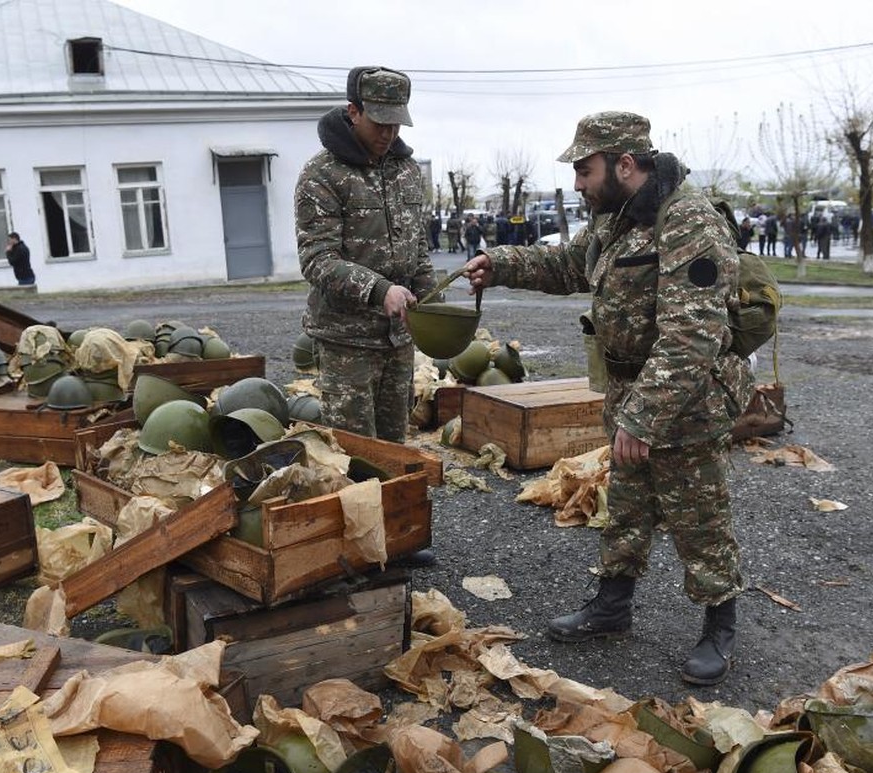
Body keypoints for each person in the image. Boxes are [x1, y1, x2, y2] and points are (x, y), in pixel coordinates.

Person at [465, 111, 754, 686]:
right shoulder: (613, 217)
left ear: (626, 164)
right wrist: (501, 264)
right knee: (627, 504)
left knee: (699, 515)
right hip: (628, 390)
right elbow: (568, 264)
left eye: (584, 170)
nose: (577, 184)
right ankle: (612, 605)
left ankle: (719, 622)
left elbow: (692, 334)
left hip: (686, 400)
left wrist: (643, 419)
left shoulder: (689, 220)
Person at [293, 66, 438, 444]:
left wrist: (435, 300)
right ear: (353, 111)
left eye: (396, 124)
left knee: (393, 450)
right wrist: (380, 290)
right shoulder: (322, 175)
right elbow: (317, 259)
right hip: (347, 345)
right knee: (355, 455)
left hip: (398, 341)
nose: (388, 134)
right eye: (379, 123)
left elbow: (417, 247)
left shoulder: (405, 171)